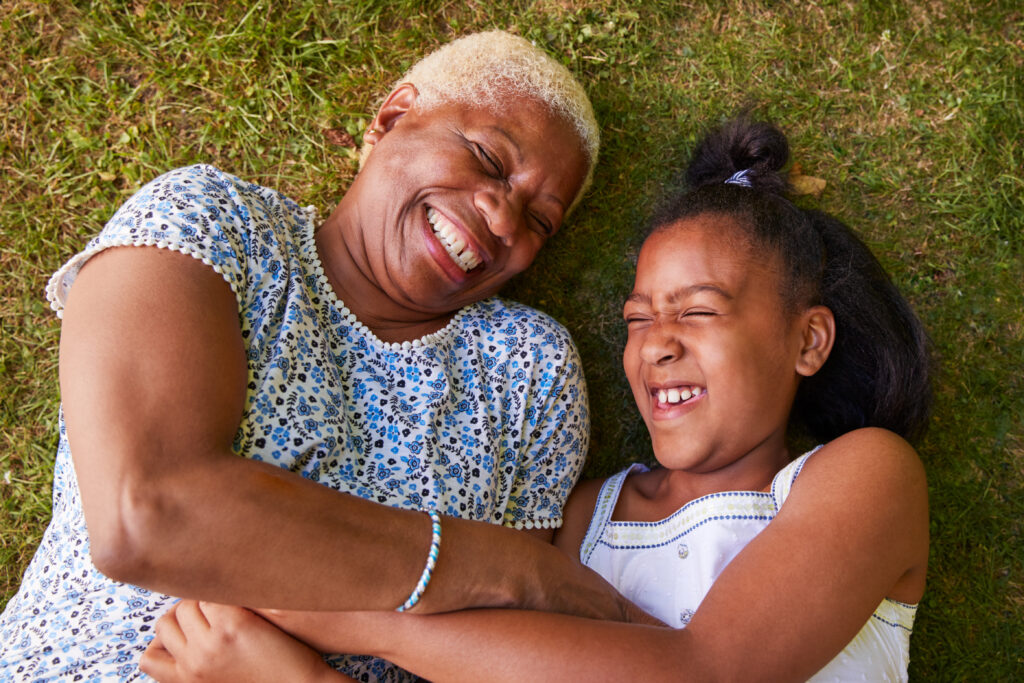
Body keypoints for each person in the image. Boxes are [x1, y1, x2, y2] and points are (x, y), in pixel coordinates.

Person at [140, 115, 933, 682]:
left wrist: (331, 620)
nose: (655, 343)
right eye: (636, 319)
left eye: (697, 310)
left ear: (808, 341)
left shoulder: (864, 477)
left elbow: (708, 669)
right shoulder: (587, 518)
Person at [0, 31, 650, 682]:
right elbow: (148, 512)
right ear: (393, 117)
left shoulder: (529, 370)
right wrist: (508, 567)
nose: (505, 221)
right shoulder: (214, 224)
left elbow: (489, 658)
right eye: (488, 159)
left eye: (541, 220)